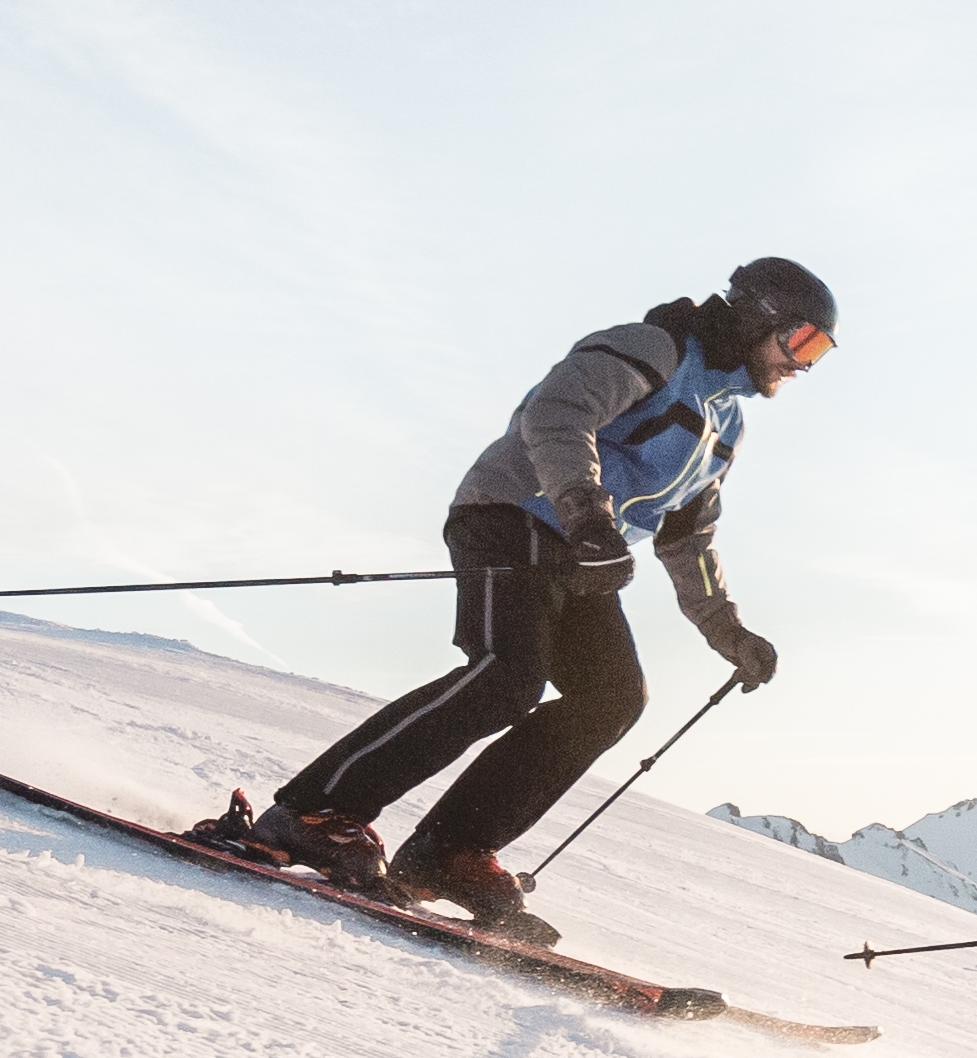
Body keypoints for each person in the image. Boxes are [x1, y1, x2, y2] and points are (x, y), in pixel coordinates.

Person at [226, 258, 835, 943]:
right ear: (757, 316)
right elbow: (557, 414)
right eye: (802, 341)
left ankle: (448, 853)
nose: (804, 364)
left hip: (582, 554)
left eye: (819, 352)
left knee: (611, 698)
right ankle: (310, 815)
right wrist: (587, 514)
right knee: (506, 676)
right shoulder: (653, 349)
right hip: (512, 514)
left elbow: (688, 537)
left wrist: (731, 634)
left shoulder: (725, 423)